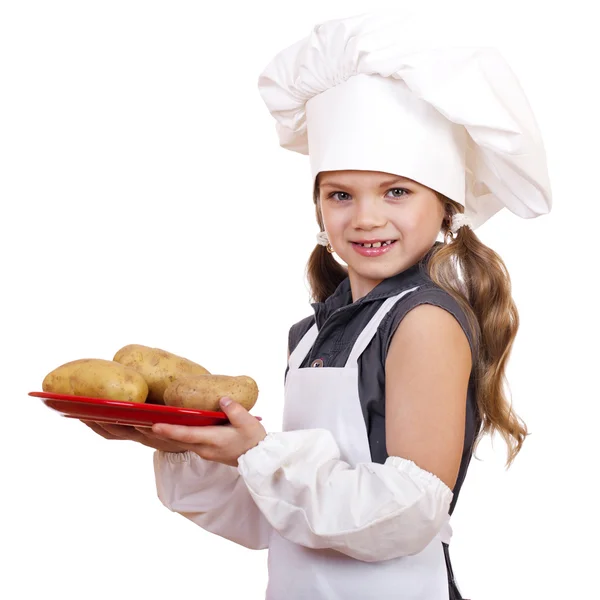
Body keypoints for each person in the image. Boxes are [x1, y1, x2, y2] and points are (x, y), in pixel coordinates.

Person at [82, 11, 552, 600]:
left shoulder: (424, 323)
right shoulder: (311, 333)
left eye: (397, 191)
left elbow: (410, 515)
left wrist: (258, 451)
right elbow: (289, 521)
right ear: (319, 208)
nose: (366, 218)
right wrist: (188, 447)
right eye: (340, 194)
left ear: (446, 205)